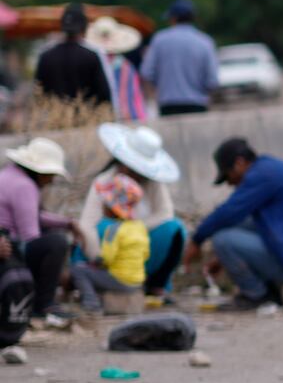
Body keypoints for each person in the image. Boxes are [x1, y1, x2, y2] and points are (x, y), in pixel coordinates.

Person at [186, 138, 283, 310]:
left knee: (222, 239)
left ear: (239, 163)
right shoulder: (271, 168)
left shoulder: (261, 175)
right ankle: (268, 289)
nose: (231, 184)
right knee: (240, 225)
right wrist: (222, 259)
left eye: (229, 176)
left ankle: (256, 295)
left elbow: (229, 212)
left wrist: (197, 240)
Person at [77, 124, 185, 297]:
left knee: (175, 229)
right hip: (107, 250)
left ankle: (156, 284)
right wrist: (98, 256)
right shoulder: (104, 180)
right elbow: (87, 225)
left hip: (134, 250)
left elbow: (165, 214)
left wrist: (132, 230)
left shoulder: (153, 182)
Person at [0, 137, 80, 321]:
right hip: (9, 249)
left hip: (8, 241)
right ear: (39, 172)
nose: (51, 180)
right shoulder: (25, 186)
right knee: (56, 243)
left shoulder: (9, 174)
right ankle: (44, 303)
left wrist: (67, 222)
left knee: (52, 237)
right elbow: (30, 234)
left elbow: (32, 214)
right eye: (50, 175)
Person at [69, 173, 148, 313]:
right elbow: (146, 255)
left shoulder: (113, 229)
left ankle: (91, 304)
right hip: (137, 282)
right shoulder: (140, 227)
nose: (102, 205)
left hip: (120, 280)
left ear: (113, 208)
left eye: (105, 202)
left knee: (79, 270)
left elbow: (107, 258)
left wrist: (95, 261)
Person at [140, 0, 219, 117]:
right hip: (197, 104)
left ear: (173, 18)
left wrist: (161, 85)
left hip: (168, 105)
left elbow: (146, 72)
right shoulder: (205, 41)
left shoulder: (159, 40)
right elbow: (212, 80)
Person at [33, 4, 111, 106]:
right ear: (84, 28)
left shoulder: (46, 56)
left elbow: (39, 91)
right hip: (86, 117)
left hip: (54, 116)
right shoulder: (91, 56)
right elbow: (103, 93)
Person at [86, 16, 147, 122]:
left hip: (99, 118)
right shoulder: (126, 67)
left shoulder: (90, 64)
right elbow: (135, 97)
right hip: (127, 119)